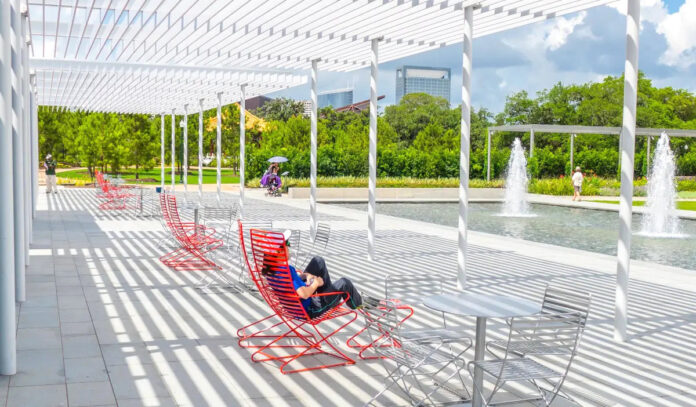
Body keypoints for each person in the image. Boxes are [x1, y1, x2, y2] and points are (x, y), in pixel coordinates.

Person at [263, 231, 362, 318]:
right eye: (287, 243)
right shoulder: (288, 271)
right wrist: (316, 283)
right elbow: (304, 294)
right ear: (279, 251)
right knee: (345, 283)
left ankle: (330, 297)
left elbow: (288, 285)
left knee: (318, 261)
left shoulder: (269, 271)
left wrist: (303, 277)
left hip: (293, 306)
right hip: (310, 309)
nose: (289, 246)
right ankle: (359, 305)